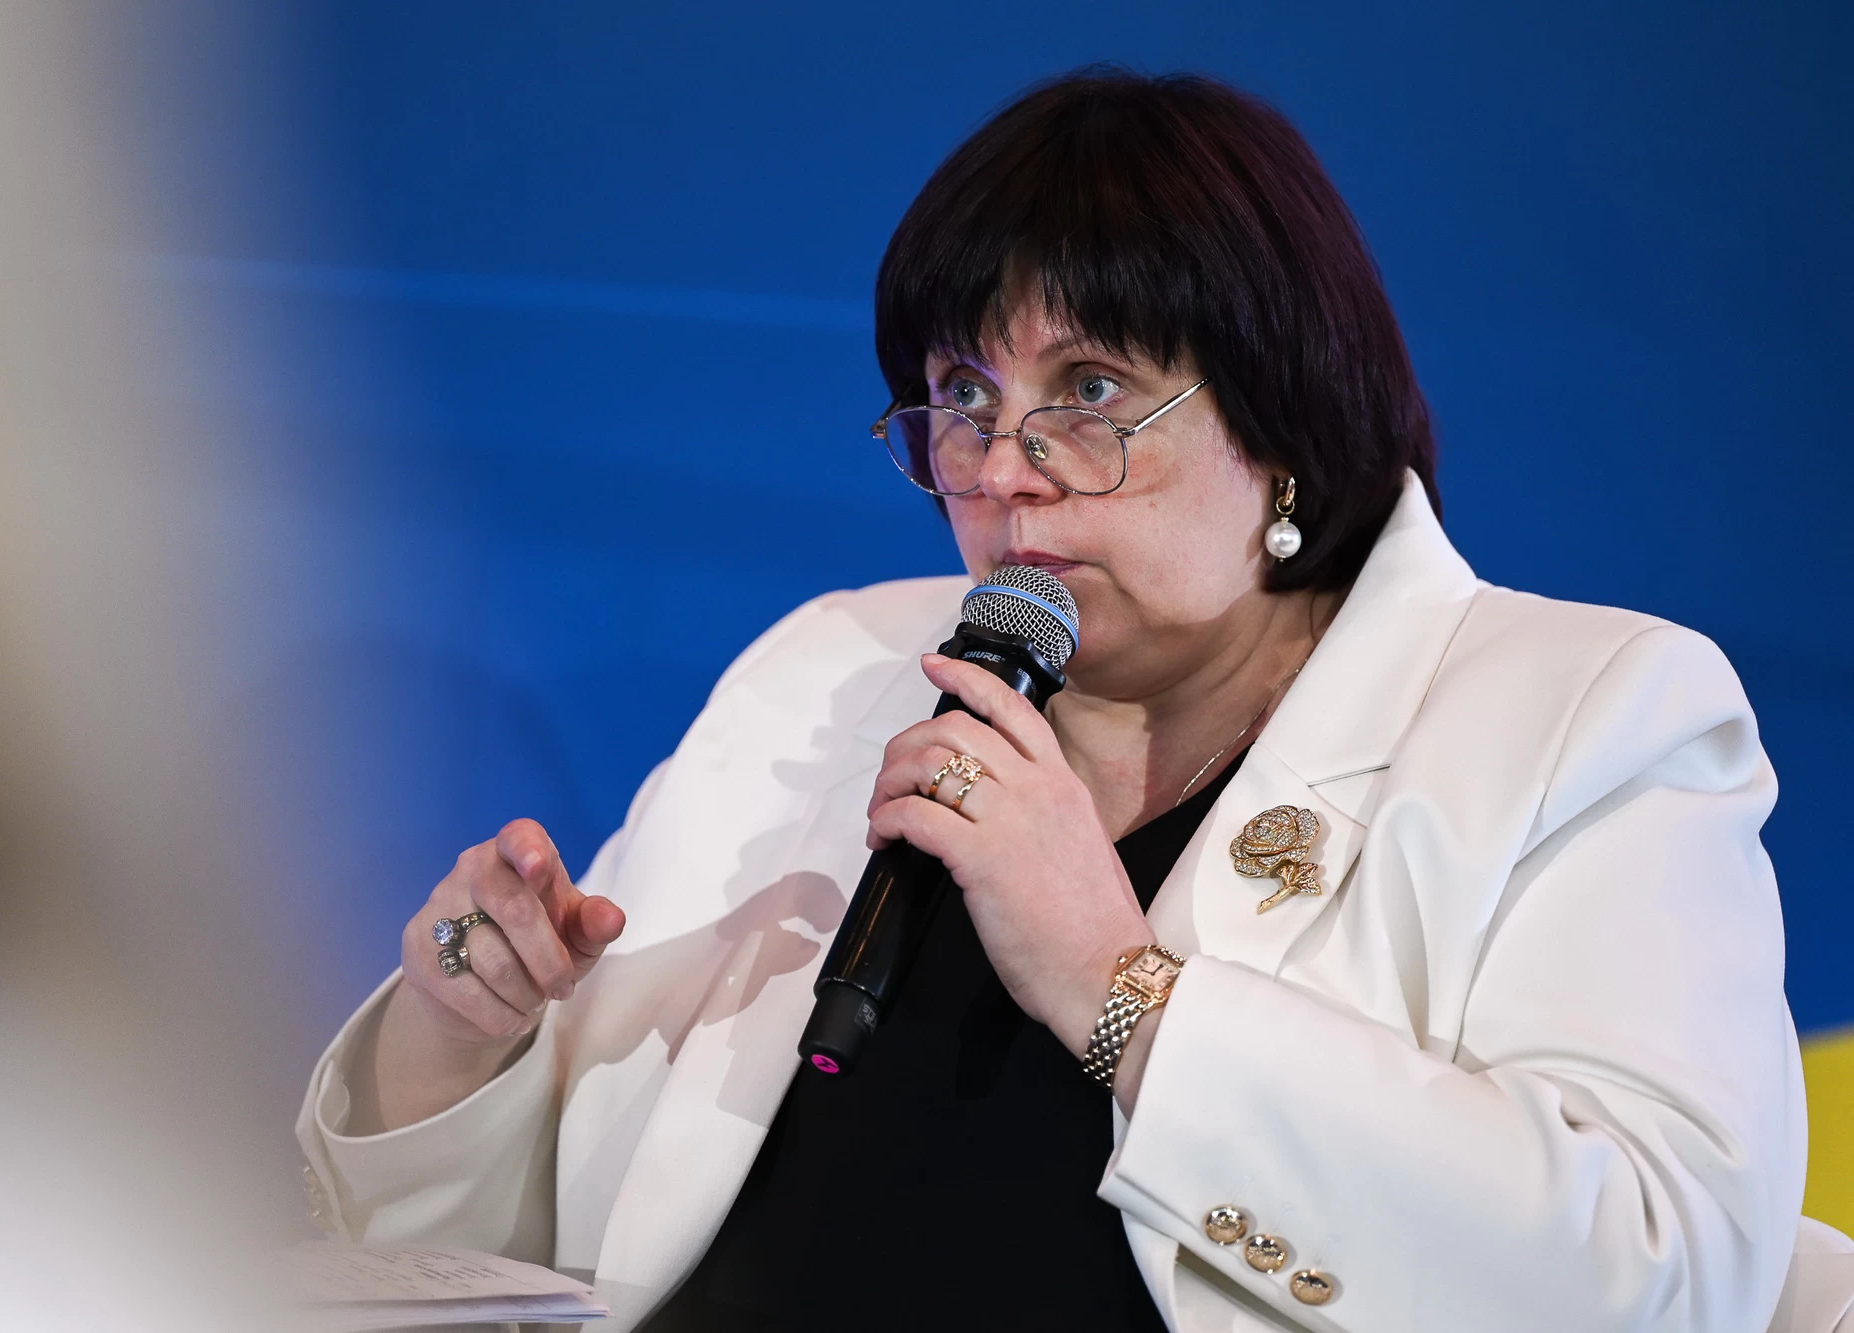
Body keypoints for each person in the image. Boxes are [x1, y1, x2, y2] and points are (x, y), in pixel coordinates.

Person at [295, 70, 1848, 1332]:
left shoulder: (1584, 716)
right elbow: (530, 1267)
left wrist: (1119, 987)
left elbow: (1664, 1284)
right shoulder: (831, 670)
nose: (1000, 468)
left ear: (1281, 419)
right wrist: (467, 1039)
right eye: (963, 397)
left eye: (1089, 391)